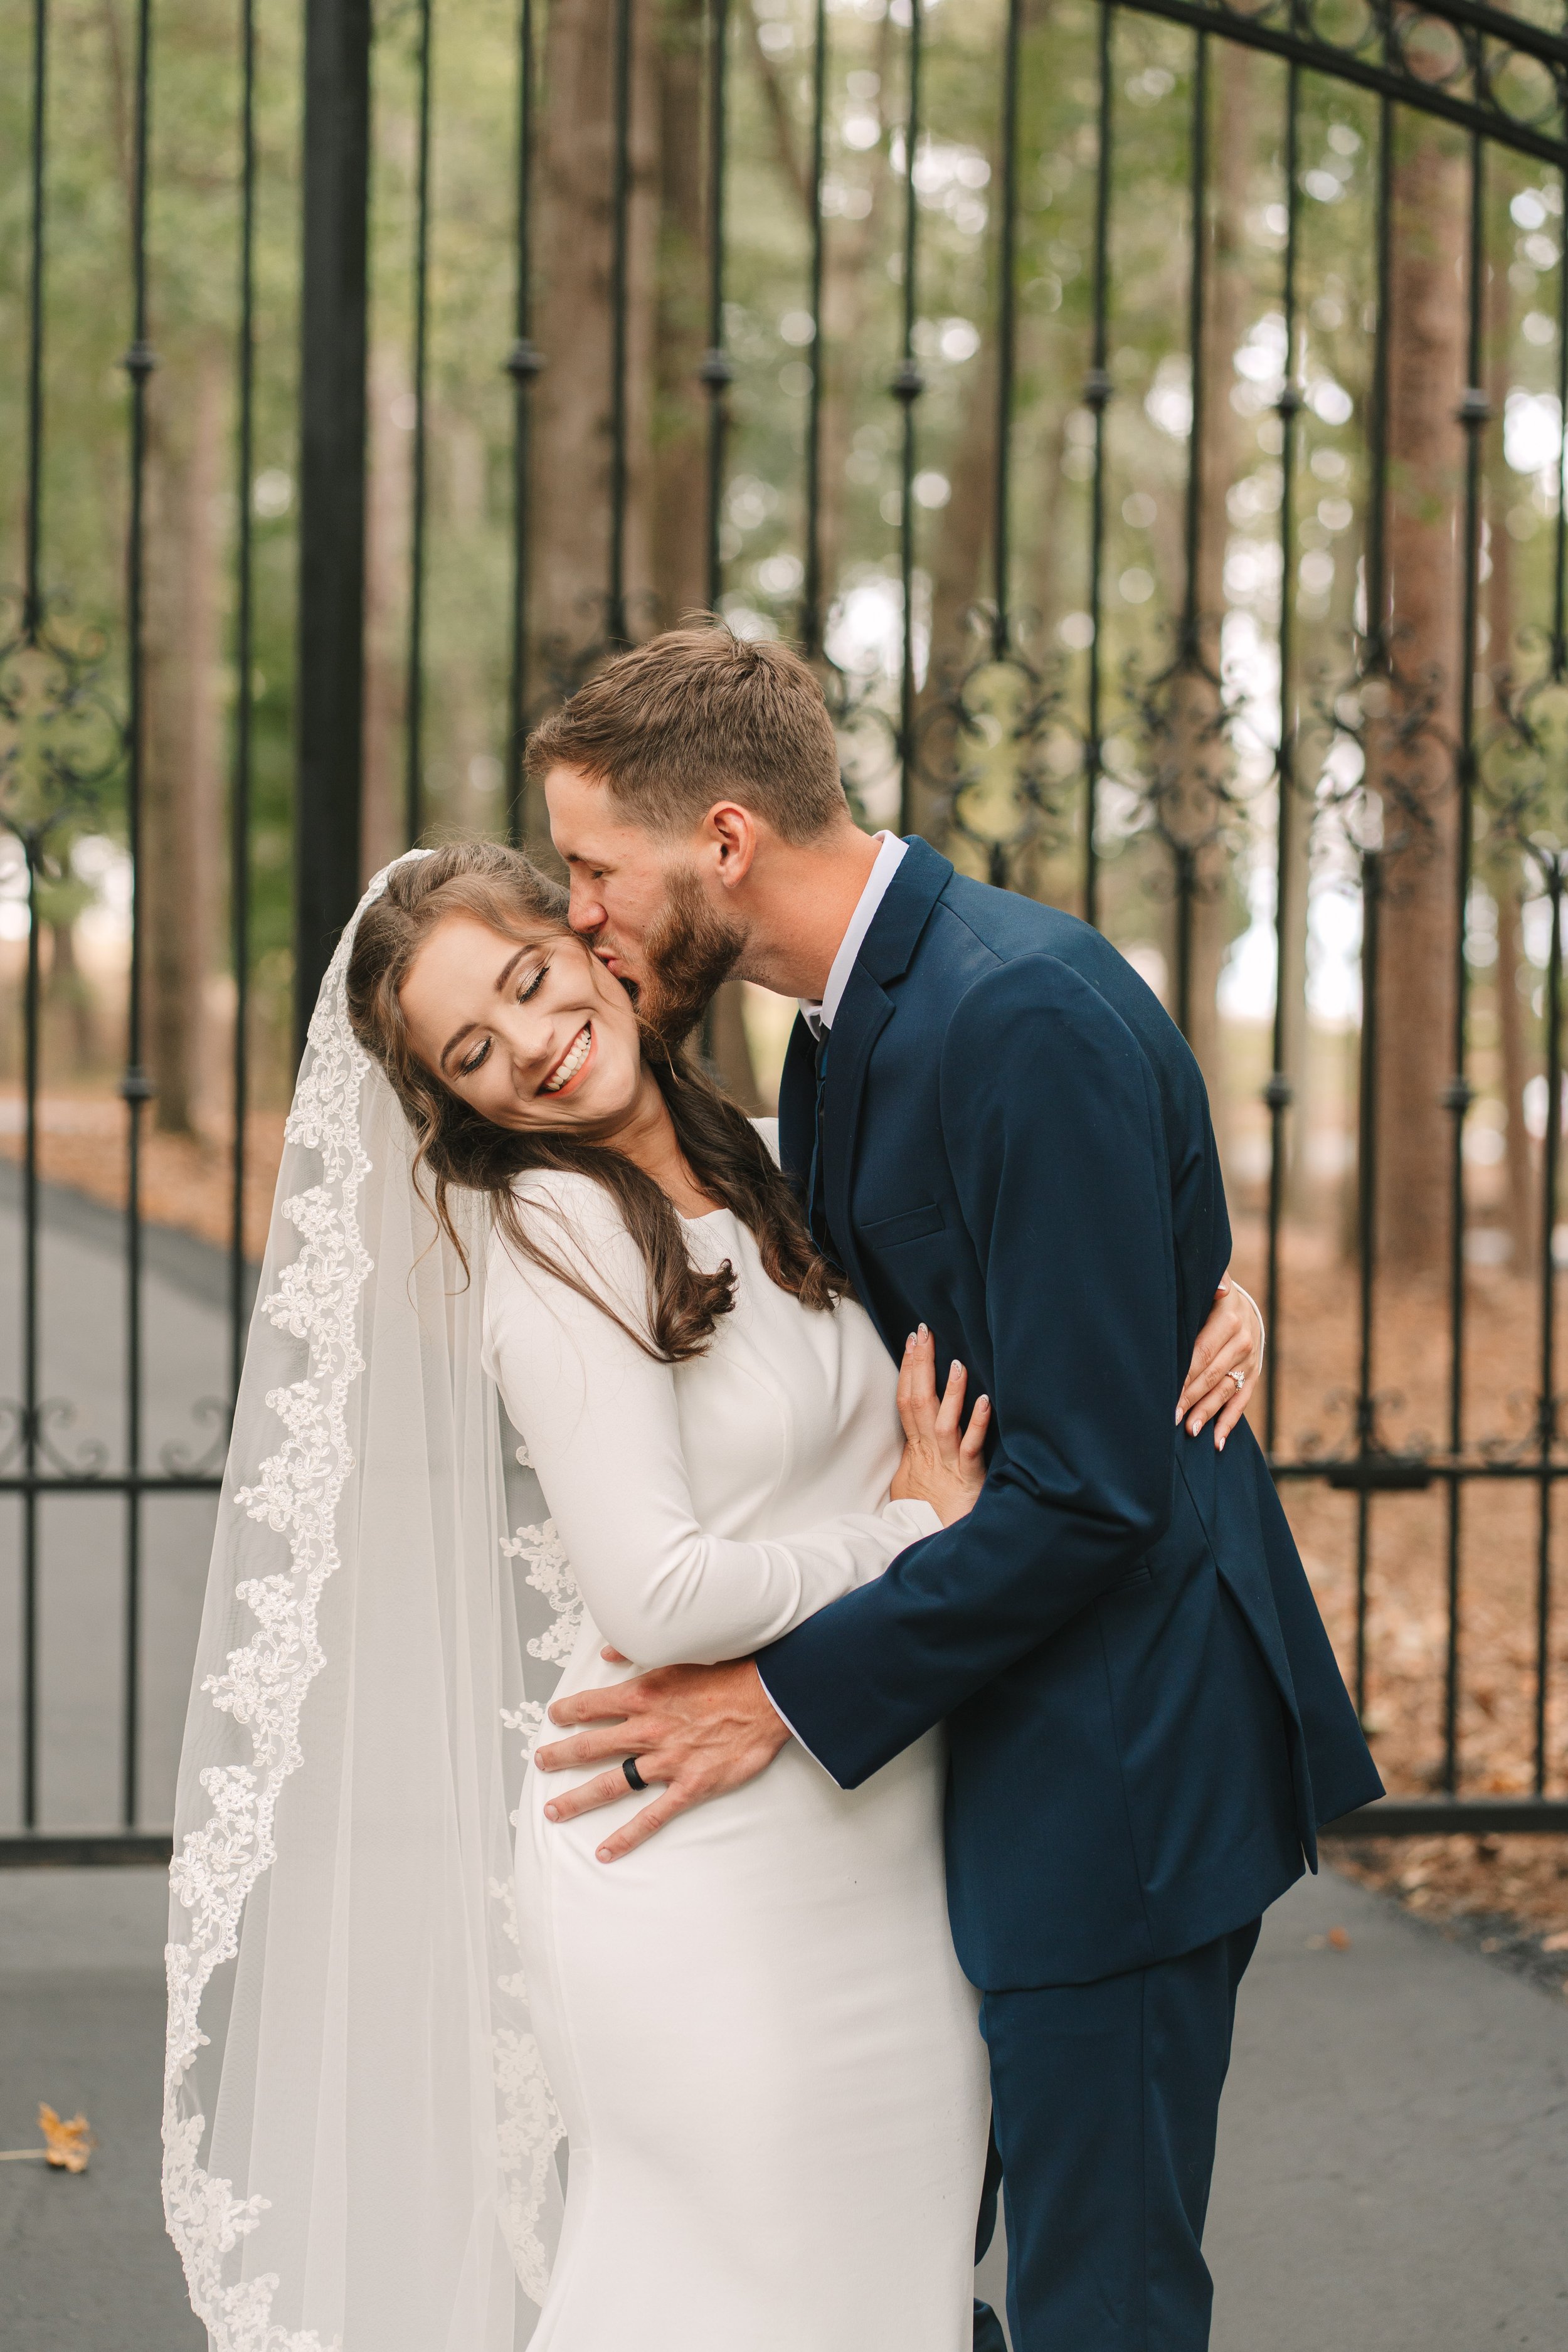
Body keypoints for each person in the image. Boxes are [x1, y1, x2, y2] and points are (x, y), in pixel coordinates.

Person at [161, 839, 1252, 2352]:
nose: (533, 1050)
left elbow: (1025, 1250)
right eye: (472, 1052)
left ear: (589, 939)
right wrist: (904, 1534)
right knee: (740, 2293)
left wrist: (1207, 1286)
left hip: (872, 1844)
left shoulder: (784, 1145)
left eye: (530, 982)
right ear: (450, 1103)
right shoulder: (548, 1233)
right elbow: (662, 1596)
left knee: (885, 2292)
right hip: (701, 1856)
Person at [523, 622, 1385, 2352]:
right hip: (980, 1738)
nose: (579, 915)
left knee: (1098, 2300)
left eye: (591, 869)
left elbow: (1087, 1491)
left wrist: (777, 1690)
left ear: (721, 840)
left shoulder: (1015, 1013)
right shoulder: (839, 1031)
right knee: (909, 2272)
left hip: (1117, 1759)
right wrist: (1193, 1277)